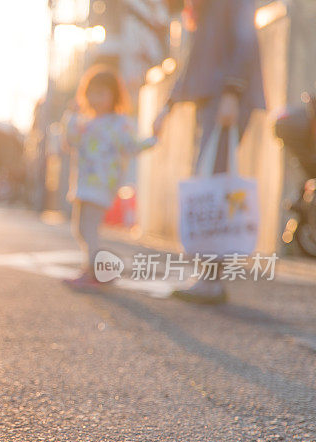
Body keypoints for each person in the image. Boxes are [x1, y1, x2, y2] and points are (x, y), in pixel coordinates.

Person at [154, 0, 266, 304]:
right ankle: (208, 277)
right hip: (211, 99)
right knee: (211, 186)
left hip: (226, 99)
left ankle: (211, 281)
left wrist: (232, 91)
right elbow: (195, 58)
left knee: (215, 187)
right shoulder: (200, 8)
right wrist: (167, 105)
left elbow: (245, 39)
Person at [62, 65, 157, 289]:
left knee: (89, 228)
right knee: (80, 229)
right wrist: (71, 115)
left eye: (101, 93)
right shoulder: (84, 121)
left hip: (103, 183)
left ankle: (98, 272)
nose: (95, 98)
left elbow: (132, 146)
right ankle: (93, 268)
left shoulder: (119, 122)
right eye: (91, 92)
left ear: (113, 96)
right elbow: (69, 142)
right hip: (83, 183)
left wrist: (154, 138)